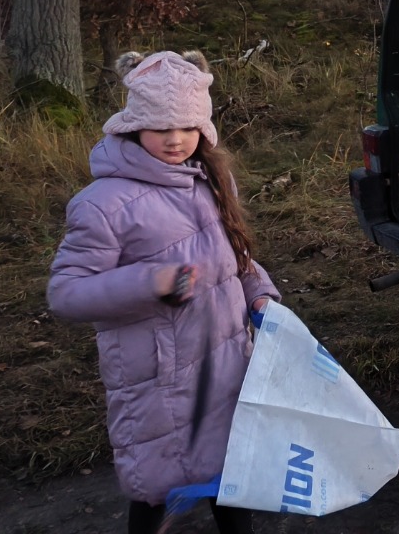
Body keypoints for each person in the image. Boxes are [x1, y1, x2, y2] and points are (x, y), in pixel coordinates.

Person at [48, 50, 280, 534]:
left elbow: (237, 258)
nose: (176, 140)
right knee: (158, 484)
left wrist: (260, 295)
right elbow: (66, 293)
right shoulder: (103, 205)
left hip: (226, 362)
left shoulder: (213, 180)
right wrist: (150, 283)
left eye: (188, 127)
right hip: (158, 381)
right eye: (159, 128)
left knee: (230, 476)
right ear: (131, 127)